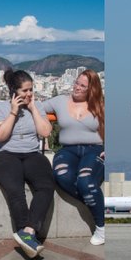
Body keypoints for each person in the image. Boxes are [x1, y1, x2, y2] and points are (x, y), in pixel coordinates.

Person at [0, 69, 55, 258]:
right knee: (15, 189)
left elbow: (45, 132)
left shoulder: (37, 106)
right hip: (6, 154)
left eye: (31, 90)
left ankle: (28, 232)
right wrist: (13, 112)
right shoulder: (1, 108)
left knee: (46, 186)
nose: (28, 94)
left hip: (32, 153)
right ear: (14, 91)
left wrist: (33, 109)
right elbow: (0, 136)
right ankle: (25, 234)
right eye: (25, 91)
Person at [42, 69, 105, 245]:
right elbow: (37, 107)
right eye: (77, 83)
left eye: (82, 86)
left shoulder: (101, 105)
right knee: (61, 175)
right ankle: (98, 205)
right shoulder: (60, 101)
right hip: (68, 150)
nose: (76, 87)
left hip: (94, 150)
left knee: (86, 180)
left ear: (91, 89)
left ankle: (101, 226)